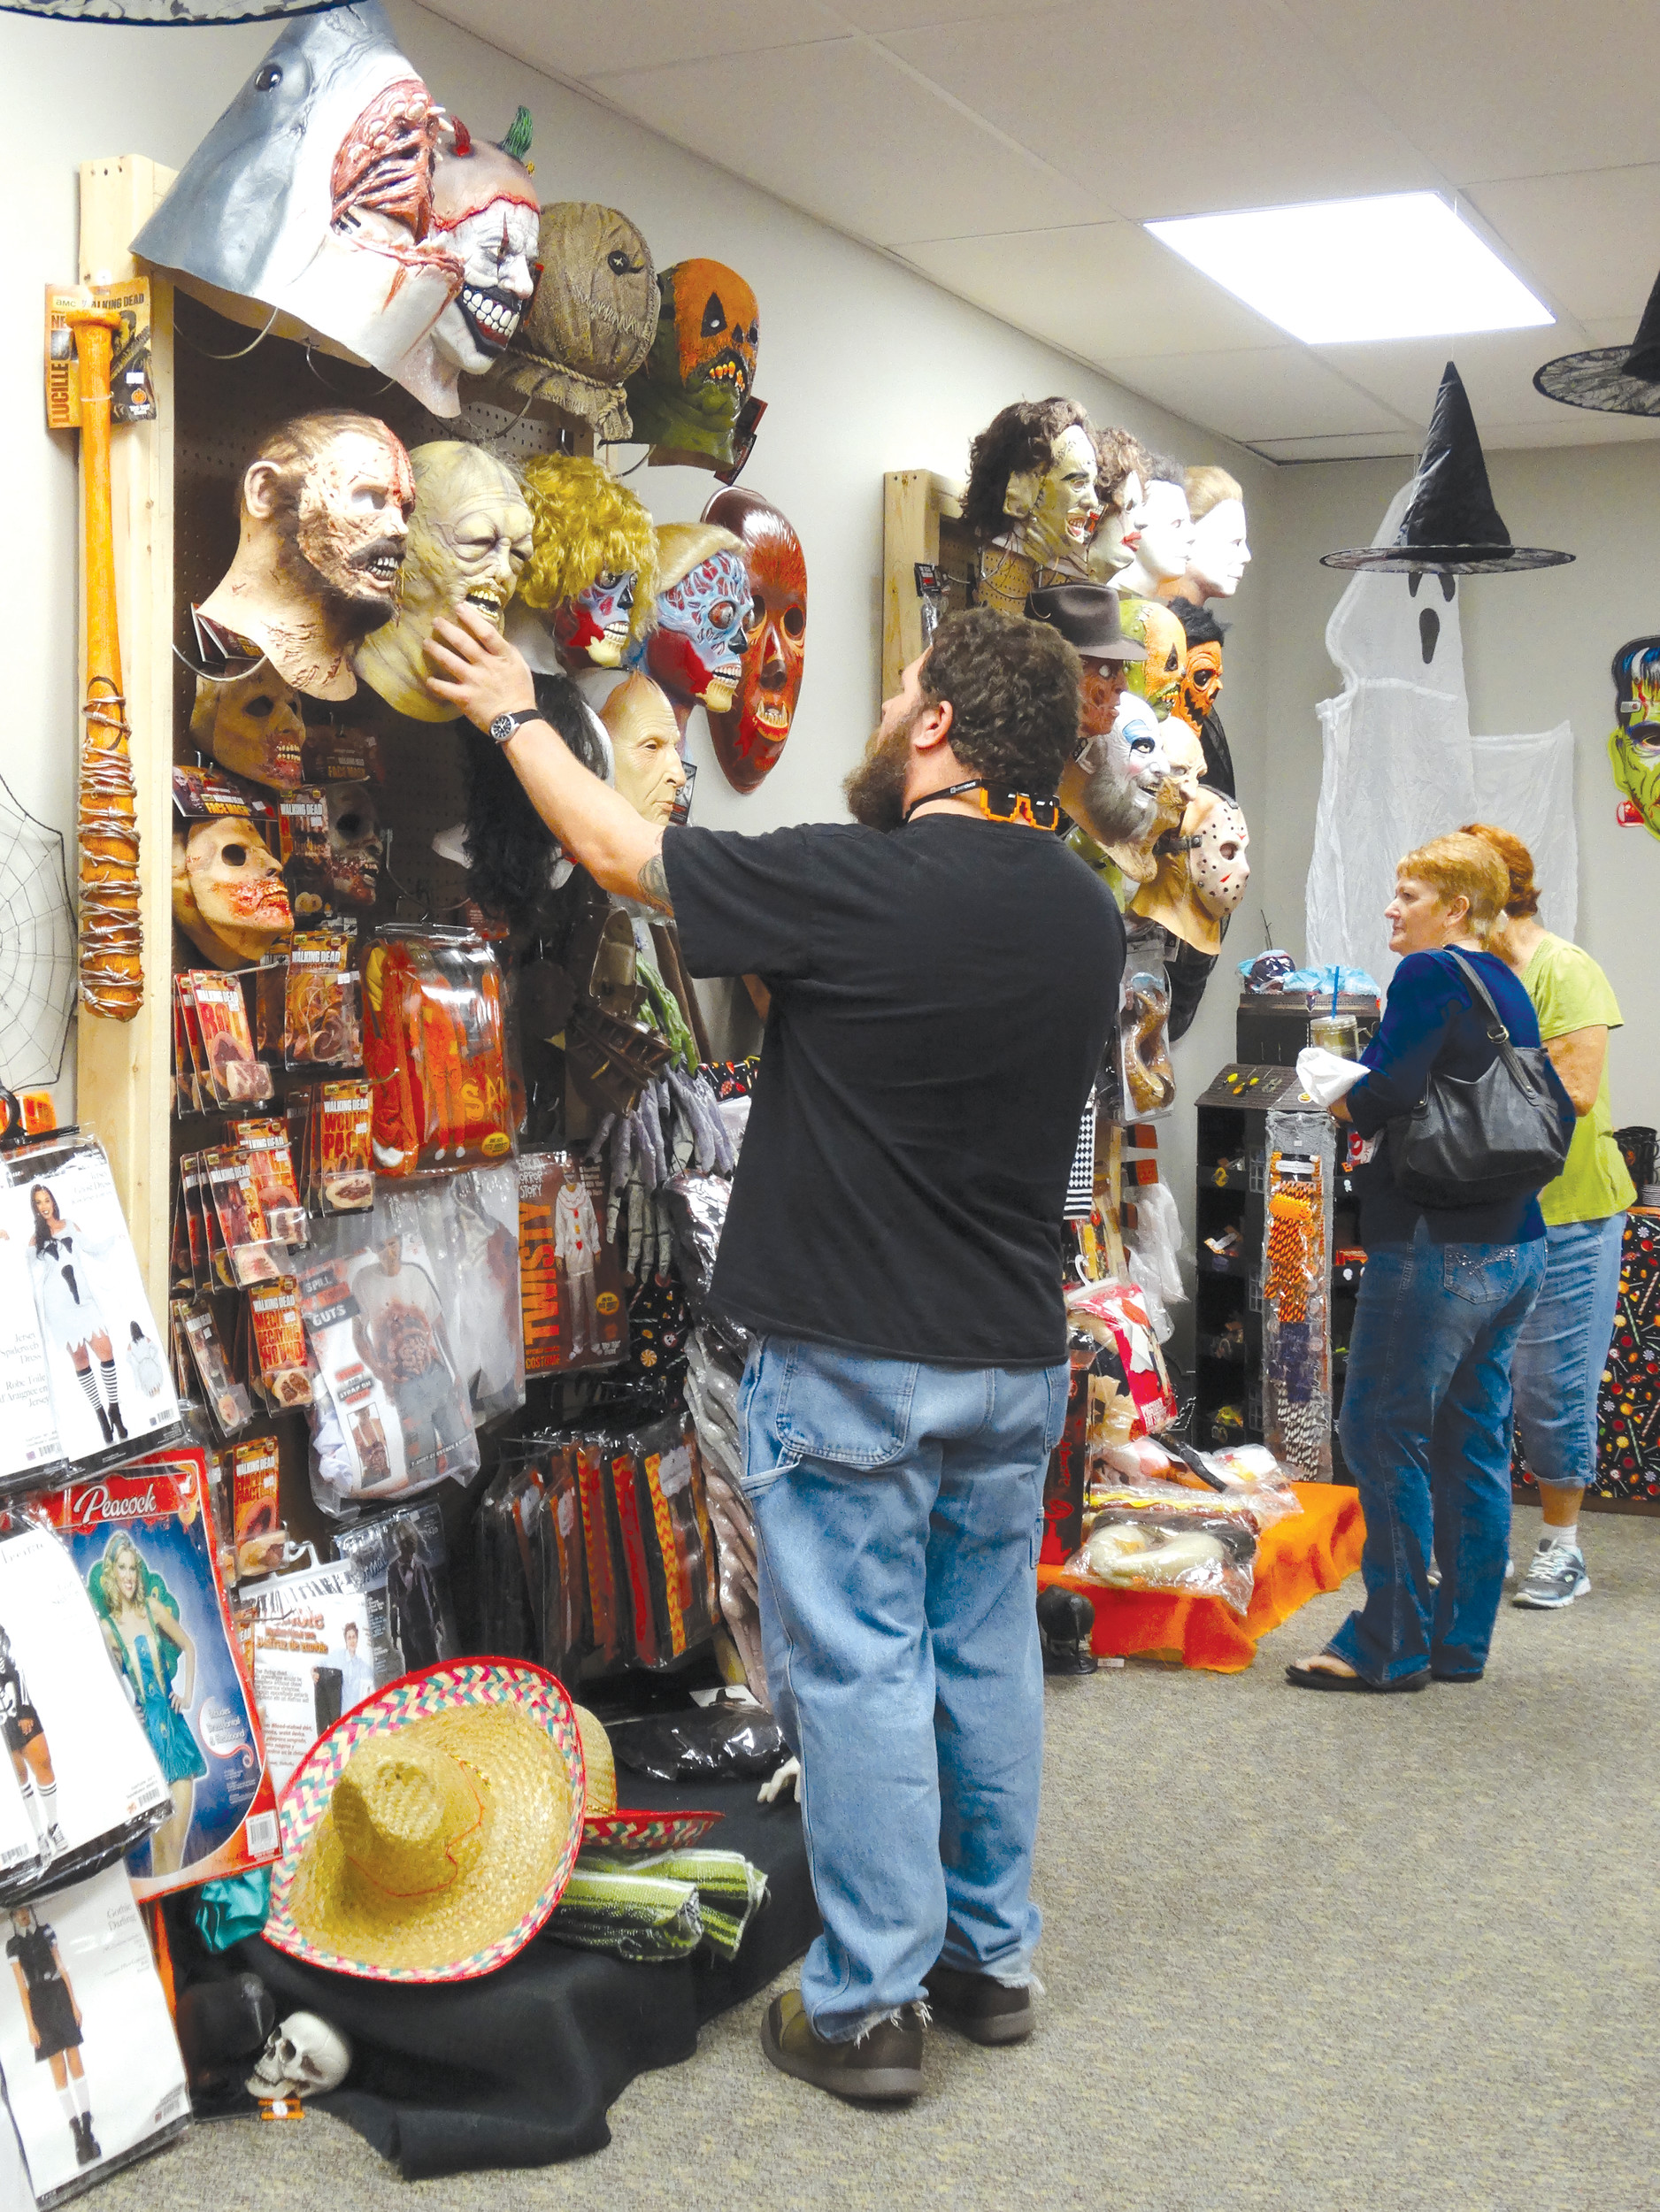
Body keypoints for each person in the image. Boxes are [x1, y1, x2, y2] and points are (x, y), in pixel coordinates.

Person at [423, 600, 1122, 2105]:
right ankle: (987, 1960)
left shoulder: (859, 882)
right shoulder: (1083, 909)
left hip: (857, 1354)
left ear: (936, 724)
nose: (883, 716)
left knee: (862, 1665)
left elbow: (625, 860)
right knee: (983, 1647)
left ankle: (869, 2006)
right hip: (1010, 1356)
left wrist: (511, 710)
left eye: (900, 695)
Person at [1287, 834, 1562, 1693]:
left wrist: (1330, 1081)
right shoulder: (1506, 981)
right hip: (1513, 1243)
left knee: (1379, 1430)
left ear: (1456, 908)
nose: (1390, 908)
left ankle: (1387, 1642)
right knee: (1469, 1443)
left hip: (1434, 1249)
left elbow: (1387, 1094)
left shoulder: (1427, 975)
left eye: (1407, 894)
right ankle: (1457, 1640)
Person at [1464, 823, 1634, 1608]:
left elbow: (1576, 1091)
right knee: (1478, 1386)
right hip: (1485, 1210)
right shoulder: (1466, 972)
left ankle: (1563, 1548)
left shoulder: (1565, 970)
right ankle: (1485, 1539)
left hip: (1569, 1215)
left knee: (1551, 1390)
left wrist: (1450, 1097)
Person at [93, 1532, 204, 1877]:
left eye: (133, 1568)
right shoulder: (107, 1628)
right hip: (145, 1748)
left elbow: (189, 1646)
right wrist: (128, 1710)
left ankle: (176, 1922)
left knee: (175, 1848)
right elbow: (102, 1684)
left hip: (175, 1735)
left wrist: (185, 1695)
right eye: (122, 1568)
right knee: (159, 1853)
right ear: (112, 1572)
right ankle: (164, 1926)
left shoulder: (152, 1609)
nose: (128, 1575)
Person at [6, 1907, 98, 2167]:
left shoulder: (46, 1932)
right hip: (39, 2003)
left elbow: (62, 1967)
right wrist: (30, 2025)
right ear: (13, 1916)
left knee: (75, 2058)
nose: (23, 1915)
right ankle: (76, 2132)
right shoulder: (13, 1946)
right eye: (17, 1912)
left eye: (25, 1910)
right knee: (57, 2068)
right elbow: (21, 1988)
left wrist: (74, 2002)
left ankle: (87, 2122)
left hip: (58, 1995)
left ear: (30, 1910)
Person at [0, 1625, 65, 1855]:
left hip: (15, 1705)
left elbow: (14, 1667)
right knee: (18, 1777)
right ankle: (37, 1835)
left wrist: (24, 1709)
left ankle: (53, 1824)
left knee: (43, 1762)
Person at [385, 1522, 444, 1673]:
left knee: (435, 1672)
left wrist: (437, 1620)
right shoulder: (393, 1570)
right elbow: (393, 1603)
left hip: (426, 1629)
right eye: (406, 1542)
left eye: (412, 1540)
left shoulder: (422, 1568)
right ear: (400, 1545)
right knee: (414, 1675)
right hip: (409, 1631)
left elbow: (432, 1597)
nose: (410, 1545)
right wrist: (394, 1631)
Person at [336, 1618, 375, 1709]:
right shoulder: (339, 1662)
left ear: (357, 1639)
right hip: (342, 1714)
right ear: (346, 1641)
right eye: (349, 1638)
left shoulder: (363, 1666)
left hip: (357, 1713)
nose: (352, 1641)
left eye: (354, 1637)